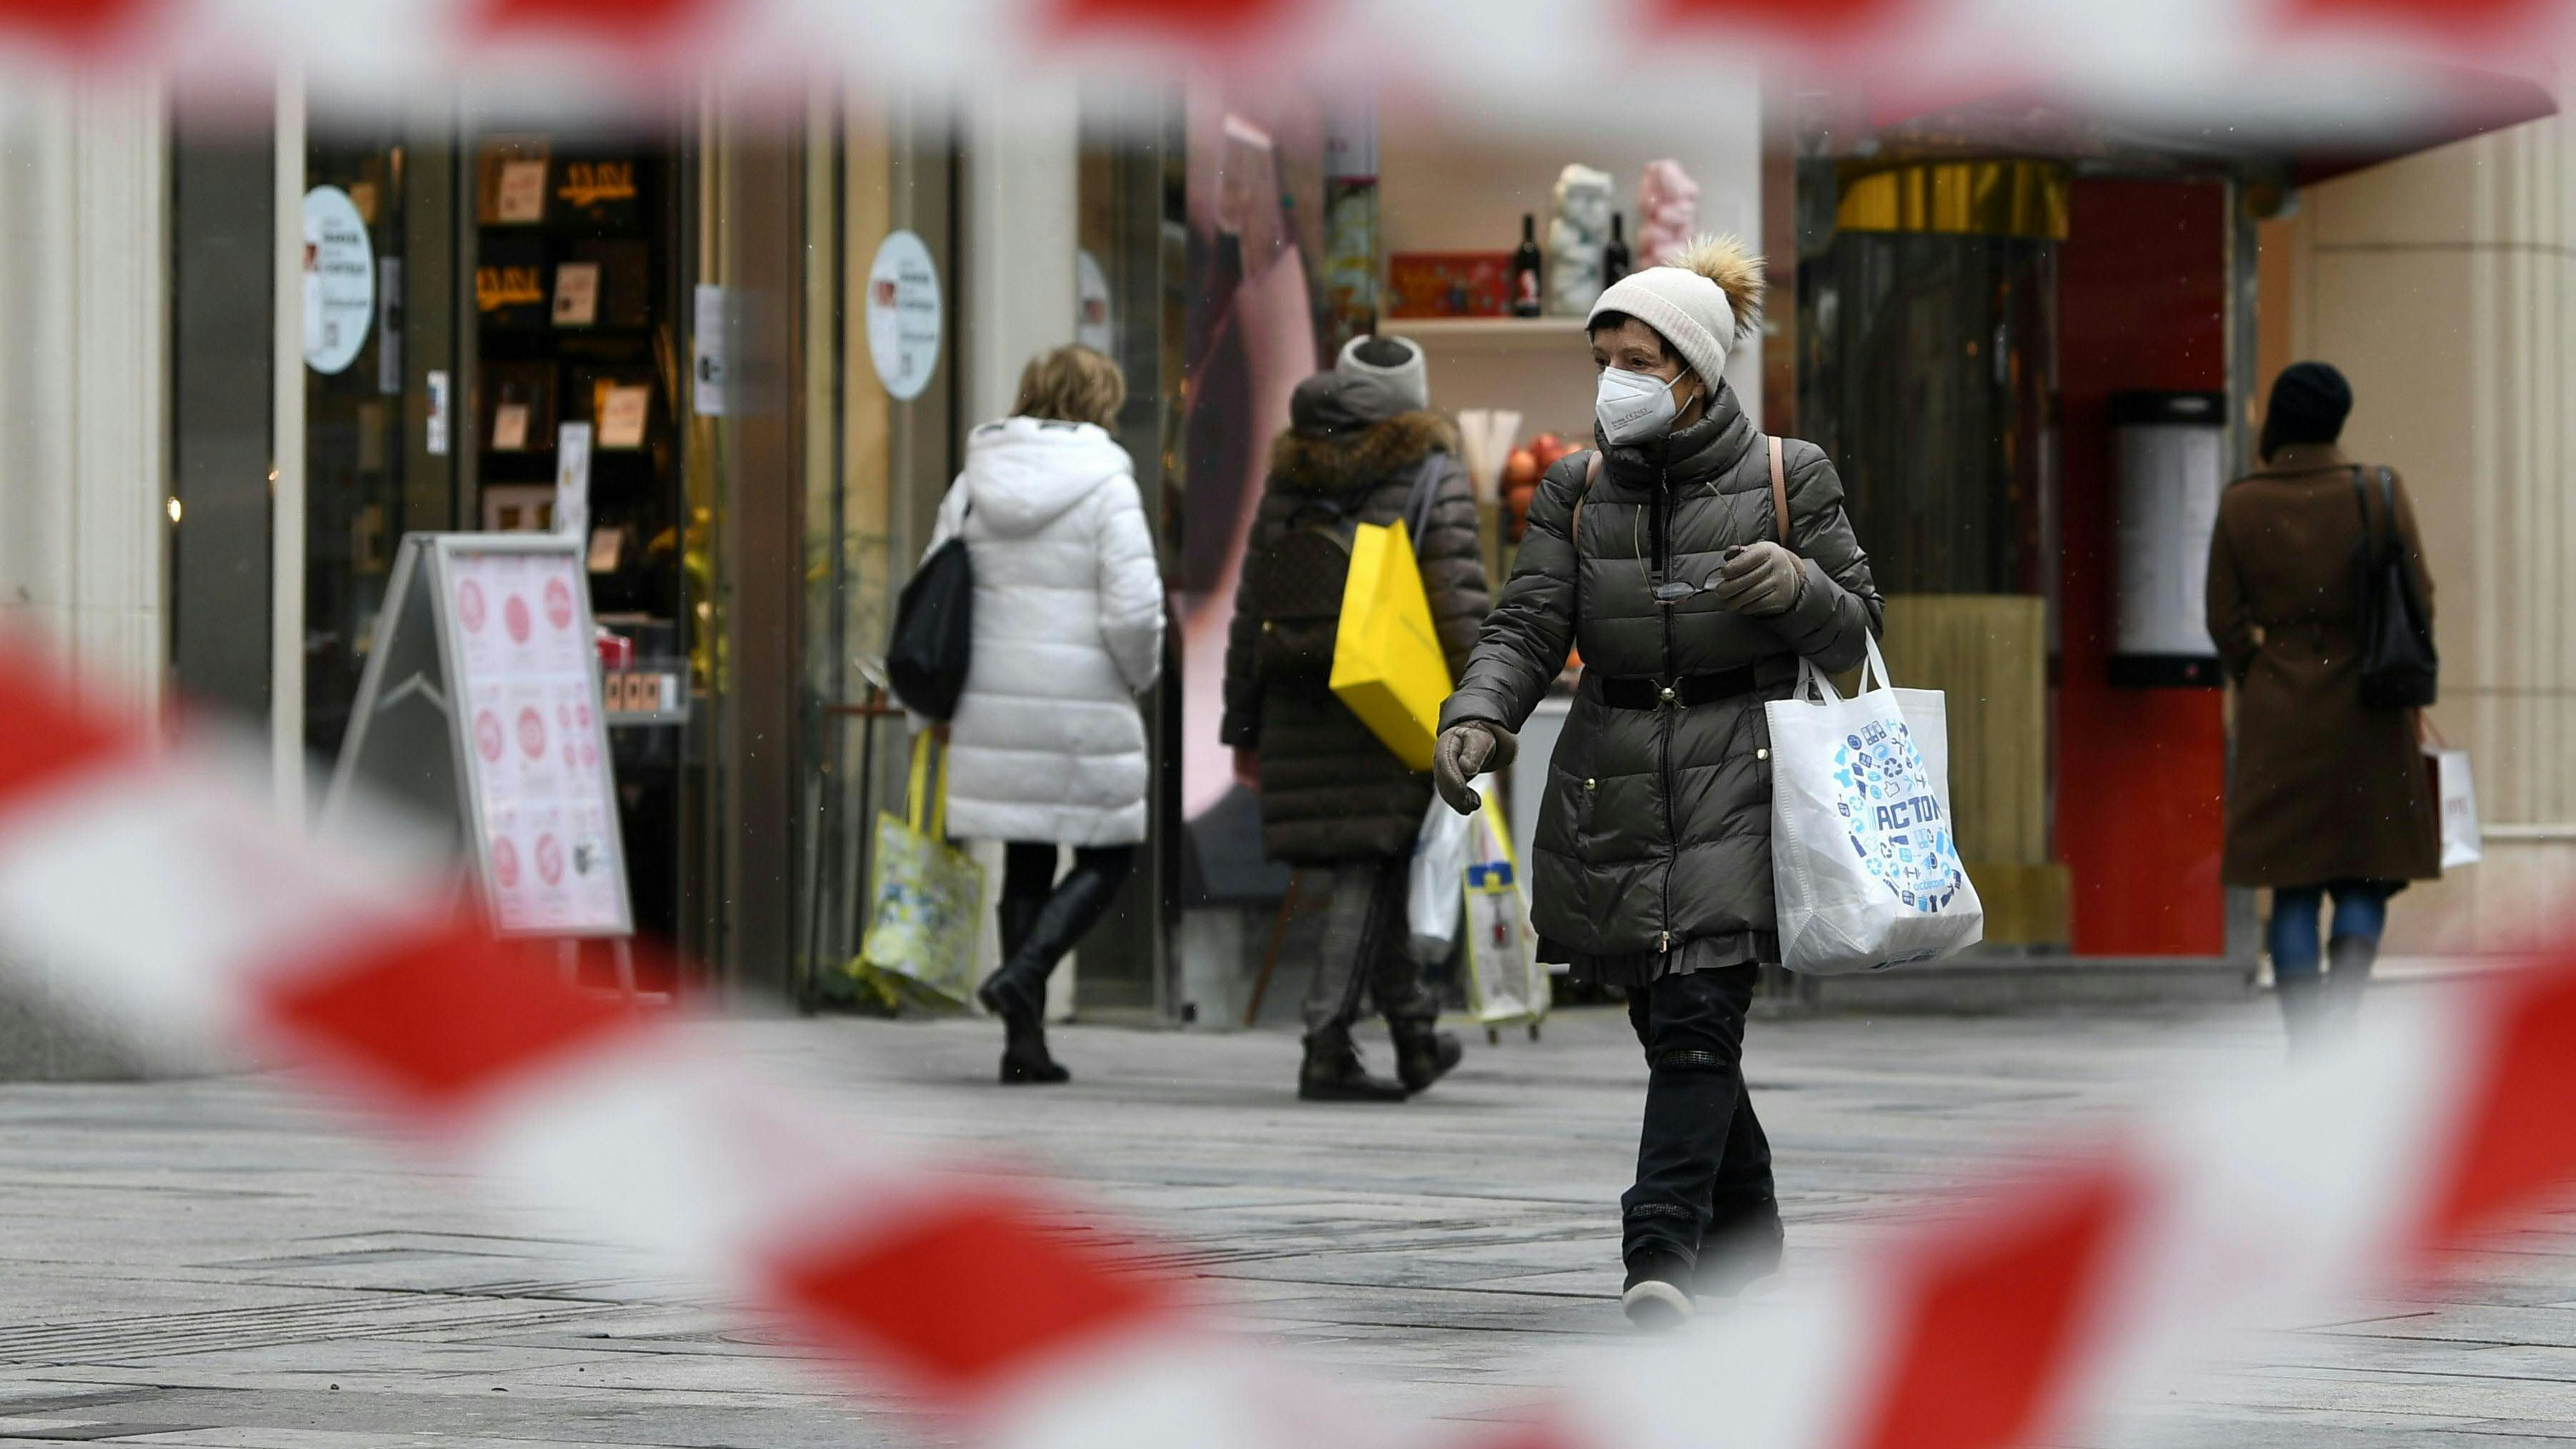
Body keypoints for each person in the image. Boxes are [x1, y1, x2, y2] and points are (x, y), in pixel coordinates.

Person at [1429, 238, 1883, 1326]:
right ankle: (1750, 1231)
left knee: (1695, 1013)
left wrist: (1797, 585)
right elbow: (1529, 622)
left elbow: (1859, 631)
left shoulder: (1787, 474)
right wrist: (1477, 714)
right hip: (1615, 776)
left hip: (1742, 770)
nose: (1615, 383)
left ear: (1694, 369)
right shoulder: (1575, 489)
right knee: (1668, 1022)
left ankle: (1660, 1254)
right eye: (1604, 361)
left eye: (1637, 361)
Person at [1220, 334, 1489, 1102]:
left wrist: (1243, 726)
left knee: (1374, 859)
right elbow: (1456, 600)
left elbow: (1250, 604)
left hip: (1293, 696)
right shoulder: (1430, 470)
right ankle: (1325, 1042)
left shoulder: (1291, 469)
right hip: (1382, 697)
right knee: (1367, 865)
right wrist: (1483, 707)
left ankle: (1413, 1036)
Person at [920, 345, 1164, 1085]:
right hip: (1083, 698)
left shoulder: (974, 481)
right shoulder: (1107, 483)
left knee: (1026, 855)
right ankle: (1024, 972)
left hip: (992, 699)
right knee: (1107, 854)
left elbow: (935, 587)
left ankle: (1021, 1043)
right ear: (1101, 401)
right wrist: (1139, 674)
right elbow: (1133, 610)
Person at [2207, 361, 2440, 1056]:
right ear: (2338, 418)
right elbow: (2419, 599)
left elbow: (2222, 619)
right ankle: (2341, 1014)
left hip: (2278, 712)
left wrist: (2262, 674)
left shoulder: (2241, 503)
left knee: (2293, 885)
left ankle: (2306, 1040)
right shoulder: (2376, 491)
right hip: (2369, 705)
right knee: (2365, 870)